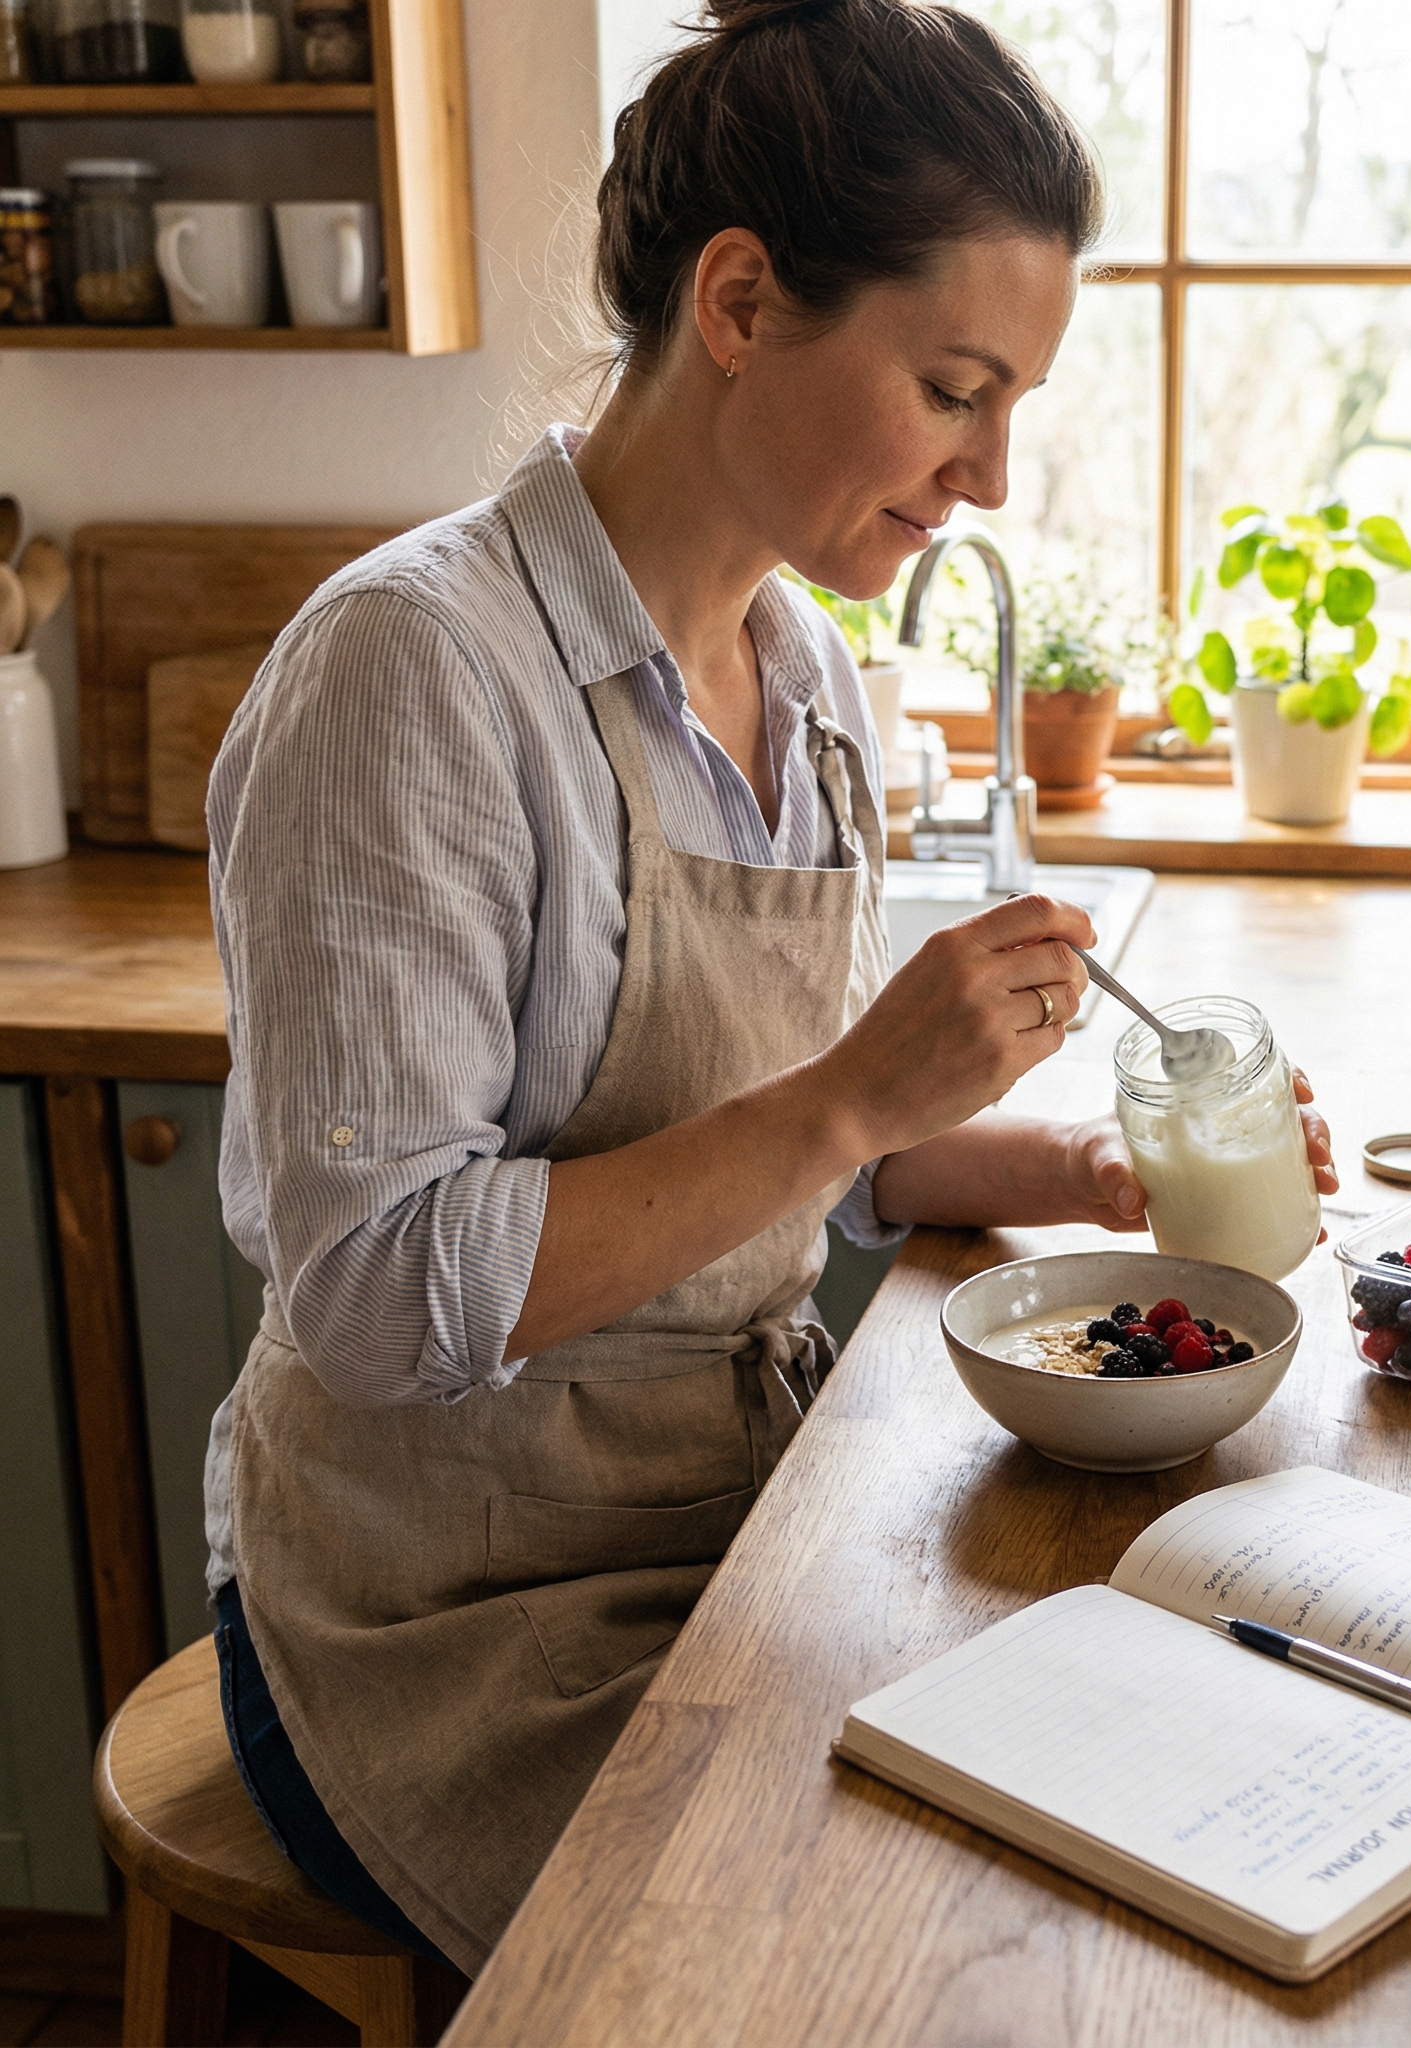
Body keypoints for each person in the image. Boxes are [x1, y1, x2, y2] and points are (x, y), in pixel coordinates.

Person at [203, 0, 1337, 1976]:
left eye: (1014, 407)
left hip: (733, 1503)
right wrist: (848, 1098)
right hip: (443, 1611)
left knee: (1102, 1836)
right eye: (954, 387)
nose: (987, 475)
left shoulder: (805, 676)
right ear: (739, 298)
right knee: (867, 1952)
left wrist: (1063, 1163)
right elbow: (385, 1302)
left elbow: (764, 1156)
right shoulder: (412, 674)